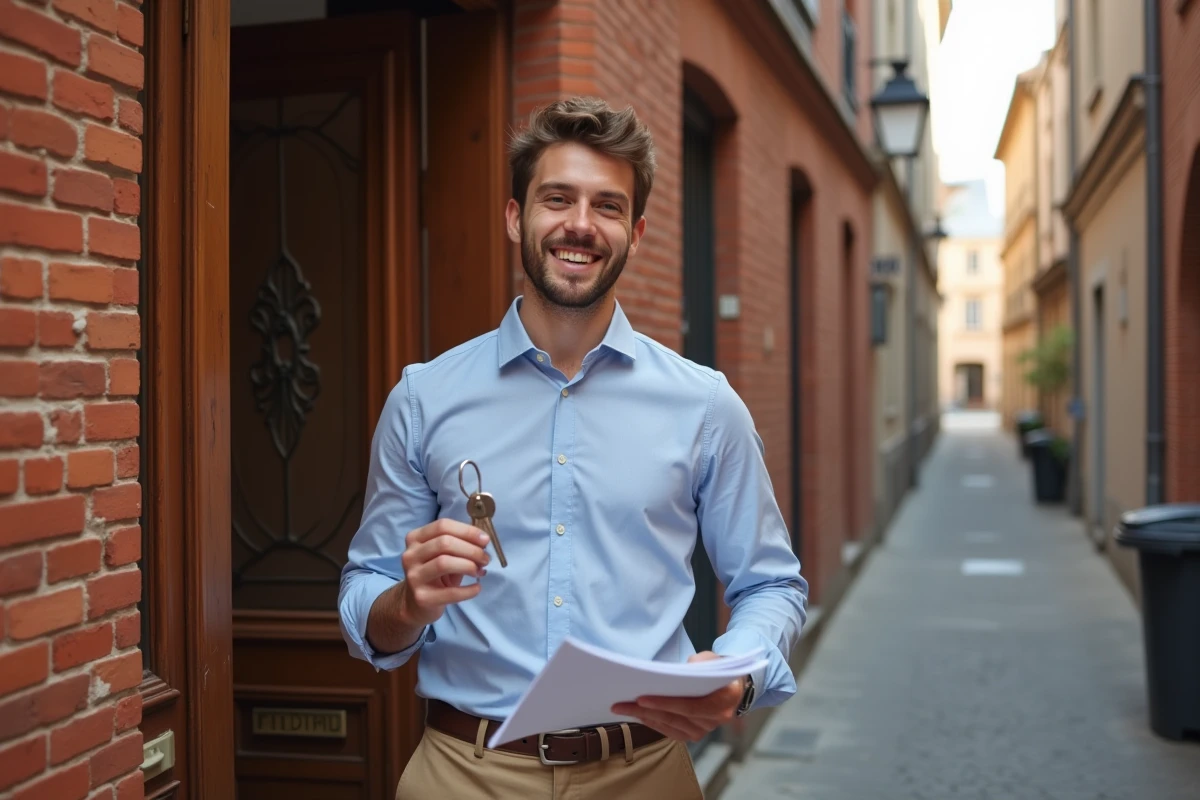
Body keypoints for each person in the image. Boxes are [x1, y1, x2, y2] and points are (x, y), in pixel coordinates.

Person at [338, 96, 808, 799]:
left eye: (607, 206)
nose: (581, 225)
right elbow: (363, 595)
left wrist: (738, 675)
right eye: (557, 198)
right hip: (465, 772)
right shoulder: (423, 399)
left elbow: (771, 583)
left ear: (636, 233)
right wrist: (407, 602)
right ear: (514, 217)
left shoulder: (706, 407)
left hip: (645, 773)